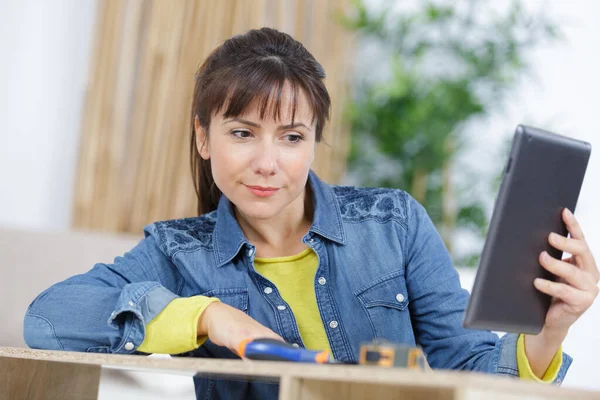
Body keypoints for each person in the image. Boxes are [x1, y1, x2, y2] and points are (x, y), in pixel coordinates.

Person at [24, 27, 598, 399]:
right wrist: (208, 316)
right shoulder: (179, 252)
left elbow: (462, 363)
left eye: (292, 136)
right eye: (242, 133)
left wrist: (550, 331)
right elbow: (48, 320)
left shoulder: (393, 223)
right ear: (203, 138)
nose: (267, 163)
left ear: (315, 140)